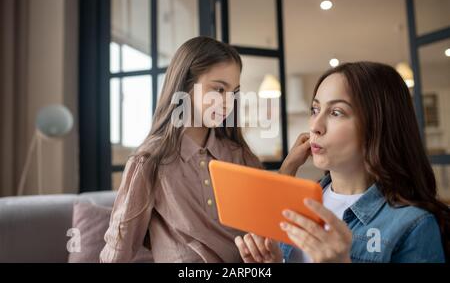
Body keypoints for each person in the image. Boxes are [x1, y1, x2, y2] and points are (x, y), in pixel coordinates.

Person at [235, 61, 449, 263]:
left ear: (378, 126)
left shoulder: (414, 225)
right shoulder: (297, 207)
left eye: (336, 112)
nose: (315, 126)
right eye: (315, 110)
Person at [100, 36, 261, 262]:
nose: (228, 102)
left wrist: (290, 165)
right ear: (185, 85)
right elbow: (120, 245)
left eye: (233, 92)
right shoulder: (150, 160)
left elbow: (267, 218)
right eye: (218, 89)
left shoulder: (238, 154)